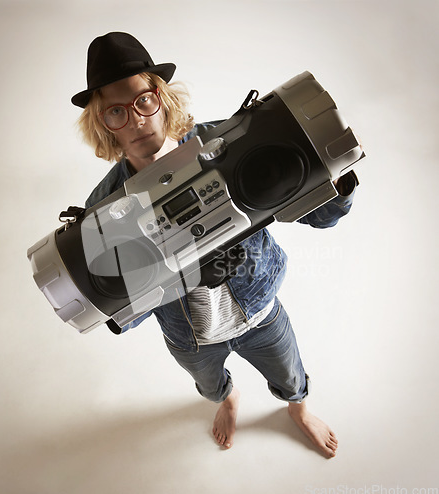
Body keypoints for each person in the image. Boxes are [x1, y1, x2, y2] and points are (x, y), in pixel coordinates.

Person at [71, 32, 358, 457]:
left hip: (261, 309)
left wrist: (337, 184)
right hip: (190, 336)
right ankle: (228, 399)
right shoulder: (102, 208)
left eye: (142, 101)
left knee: (291, 374)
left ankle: (297, 408)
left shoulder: (230, 143)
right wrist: (179, 276)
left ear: (161, 97)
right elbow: (120, 302)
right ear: (101, 123)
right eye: (116, 111)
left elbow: (319, 213)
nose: (135, 120)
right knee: (209, 388)